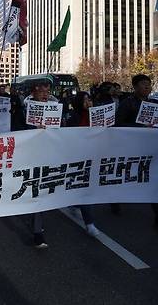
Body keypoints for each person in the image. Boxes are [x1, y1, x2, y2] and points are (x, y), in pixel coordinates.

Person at [114, 74, 158, 237]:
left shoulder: (156, 104)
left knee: (156, 183)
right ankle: (114, 199)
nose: (147, 87)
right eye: (144, 84)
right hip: (131, 149)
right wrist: (139, 126)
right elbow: (118, 124)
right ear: (135, 87)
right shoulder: (127, 103)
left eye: (149, 85)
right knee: (125, 177)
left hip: (151, 150)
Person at [15, 80, 53, 248]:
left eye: (47, 91)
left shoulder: (55, 109)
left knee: (43, 191)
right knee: (36, 191)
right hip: (31, 156)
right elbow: (16, 132)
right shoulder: (23, 111)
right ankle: (38, 232)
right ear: (33, 93)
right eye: (41, 91)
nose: (45, 94)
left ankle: (37, 221)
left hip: (50, 155)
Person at [65, 91, 101, 237]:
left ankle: (74, 203)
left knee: (82, 186)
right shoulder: (73, 116)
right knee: (83, 186)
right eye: (84, 100)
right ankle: (89, 223)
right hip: (78, 155)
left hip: (93, 154)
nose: (88, 102)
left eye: (90, 99)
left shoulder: (97, 115)